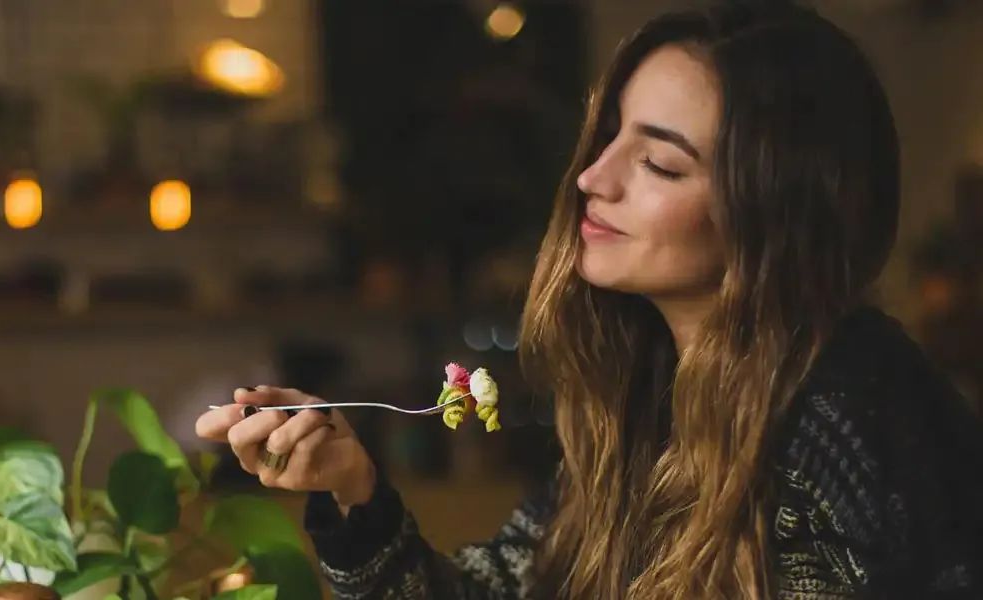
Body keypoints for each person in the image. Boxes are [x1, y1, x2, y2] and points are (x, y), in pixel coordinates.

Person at [195, 2, 983, 598]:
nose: (592, 179)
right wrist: (351, 486)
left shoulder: (846, 416)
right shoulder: (649, 402)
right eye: (609, 138)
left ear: (776, 213)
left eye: (660, 166)